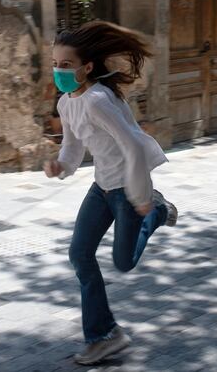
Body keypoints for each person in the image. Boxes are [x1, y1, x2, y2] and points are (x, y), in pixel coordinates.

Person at [43, 21, 178, 365]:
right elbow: (73, 148)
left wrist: (142, 197)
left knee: (124, 262)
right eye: (55, 63)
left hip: (128, 188)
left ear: (86, 68)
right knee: (80, 255)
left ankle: (159, 211)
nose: (59, 70)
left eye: (66, 65)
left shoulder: (98, 100)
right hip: (101, 187)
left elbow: (133, 146)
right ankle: (105, 336)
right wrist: (61, 166)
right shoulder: (67, 103)